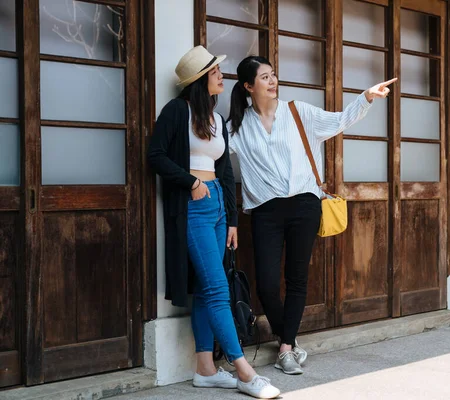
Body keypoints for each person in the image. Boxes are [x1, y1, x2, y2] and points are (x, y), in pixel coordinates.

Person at [228, 55, 396, 375]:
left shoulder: (298, 111)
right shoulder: (237, 126)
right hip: (265, 211)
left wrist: (367, 97)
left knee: (297, 279)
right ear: (249, 86)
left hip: (305, 205)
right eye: (264, 77)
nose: (273, 81)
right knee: (265, 284)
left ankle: (287, 347)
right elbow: (214, 155)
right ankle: (287, 337)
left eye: (273, 75)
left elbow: (339, 121)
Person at [147, 46, 280, 399]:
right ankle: (245, 372)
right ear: (199, 80)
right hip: (193, 207)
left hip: (219, 207)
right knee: (218, 288)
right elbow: (155, 155)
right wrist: (190, 181)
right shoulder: (177, 112)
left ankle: (205, 370)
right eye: (215, 71)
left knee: (209, 290)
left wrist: (233, 220)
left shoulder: (217, 120)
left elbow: (223, 171)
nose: (222, 76)